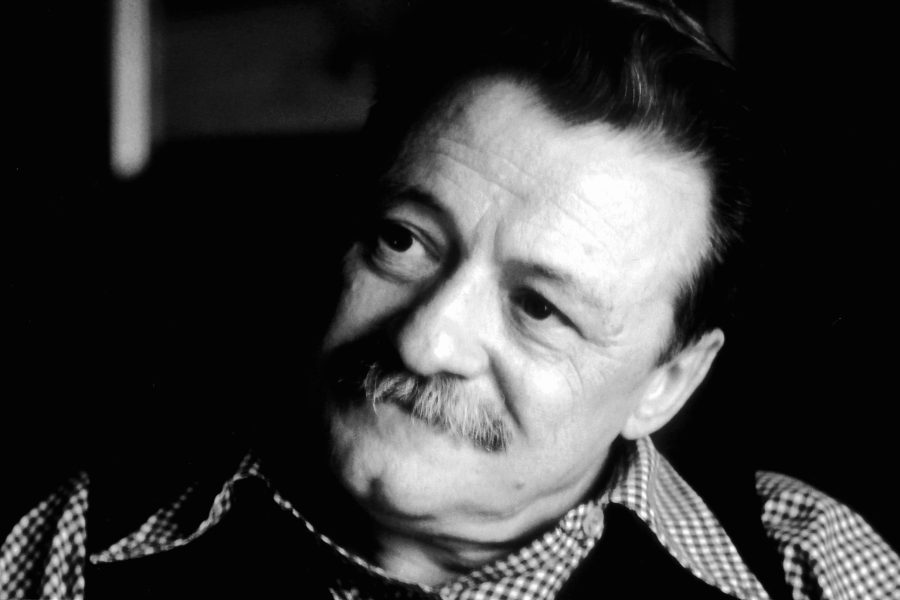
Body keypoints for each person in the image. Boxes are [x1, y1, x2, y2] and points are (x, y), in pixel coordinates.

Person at [2, 1, 898, 598]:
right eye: (405, 242)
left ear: (668, 382)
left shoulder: (812, 571)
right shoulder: (73, 543)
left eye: (540, 308)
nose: (426, 341)